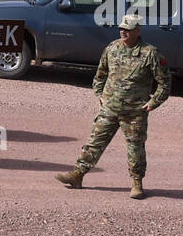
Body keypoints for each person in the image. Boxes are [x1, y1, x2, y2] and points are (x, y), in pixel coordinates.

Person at [55, 13, 170, 199]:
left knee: (135, 148)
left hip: (134, 112)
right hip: (109, 107)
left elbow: (164, 82)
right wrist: (99, 94)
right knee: (94, 143)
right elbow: (101, 74)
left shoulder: (150, 53)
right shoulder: (112, 48)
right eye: (121, 28)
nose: (123, 31)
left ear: (138, 31)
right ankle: (78, 175)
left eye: (128, 29)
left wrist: (153, 102)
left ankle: (137, 183)